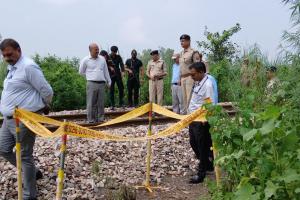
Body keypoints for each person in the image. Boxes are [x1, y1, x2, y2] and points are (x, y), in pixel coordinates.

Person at [0, 38, 53, 200]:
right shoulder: (12, 68)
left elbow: (47, 90)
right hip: (8, 119)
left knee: (24, 156)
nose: (7, 58)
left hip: (25, 119)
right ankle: (33, 172)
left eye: (10, 54)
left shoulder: (28, 66)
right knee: (3, 148)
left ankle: (30, 196)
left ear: (18, 50)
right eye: (4, 55)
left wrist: (42, 108)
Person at [188, 62, 215, 184]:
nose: (191, 77)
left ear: (201, 72)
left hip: (201, 120)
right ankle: (208, 164)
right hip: (193, 118)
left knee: (202, 146)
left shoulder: (208, 84)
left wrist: (206, 119)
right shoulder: (197, 81)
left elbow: (210, 103)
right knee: (193, 142)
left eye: (193, 74)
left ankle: (201, 174)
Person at [79, 43, 111, 123]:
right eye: (95, 49)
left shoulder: (102, 59)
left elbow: (105, 71)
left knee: (100, 103)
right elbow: (81, 72)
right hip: (91, 83)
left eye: (98, 49)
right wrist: (90, 76)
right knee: (91, 103)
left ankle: (100, 119)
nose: (97, 51)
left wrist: (109, 81)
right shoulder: (85, 60)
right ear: (90, 50)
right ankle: (91, 119)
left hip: (101, 83)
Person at [179, 34, 198, 114]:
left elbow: (197, 66)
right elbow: (181, 67)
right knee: (184, 99)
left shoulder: (193, 52)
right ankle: (188, 117)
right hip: (183, 78)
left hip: (190, 77)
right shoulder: (181, 53)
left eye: (183, 41)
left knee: (190, 99)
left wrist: (196, 79)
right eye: (180, 41)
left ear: (188, 41)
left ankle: (191, 117)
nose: (181, 43)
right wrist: (180, 79)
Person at [109, 46, 125, 110]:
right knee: (111, 90)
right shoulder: (108, 56)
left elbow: (121, 64)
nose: (114, 53)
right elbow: (105, 64)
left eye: (115, 52)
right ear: (111, 51)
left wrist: (123, 71)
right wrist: (110, 67)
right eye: (113, 52)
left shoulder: (118, 57)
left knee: (121, 88)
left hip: (118, 74)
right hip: (111, 74)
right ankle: (112, 104)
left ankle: (121, 103)